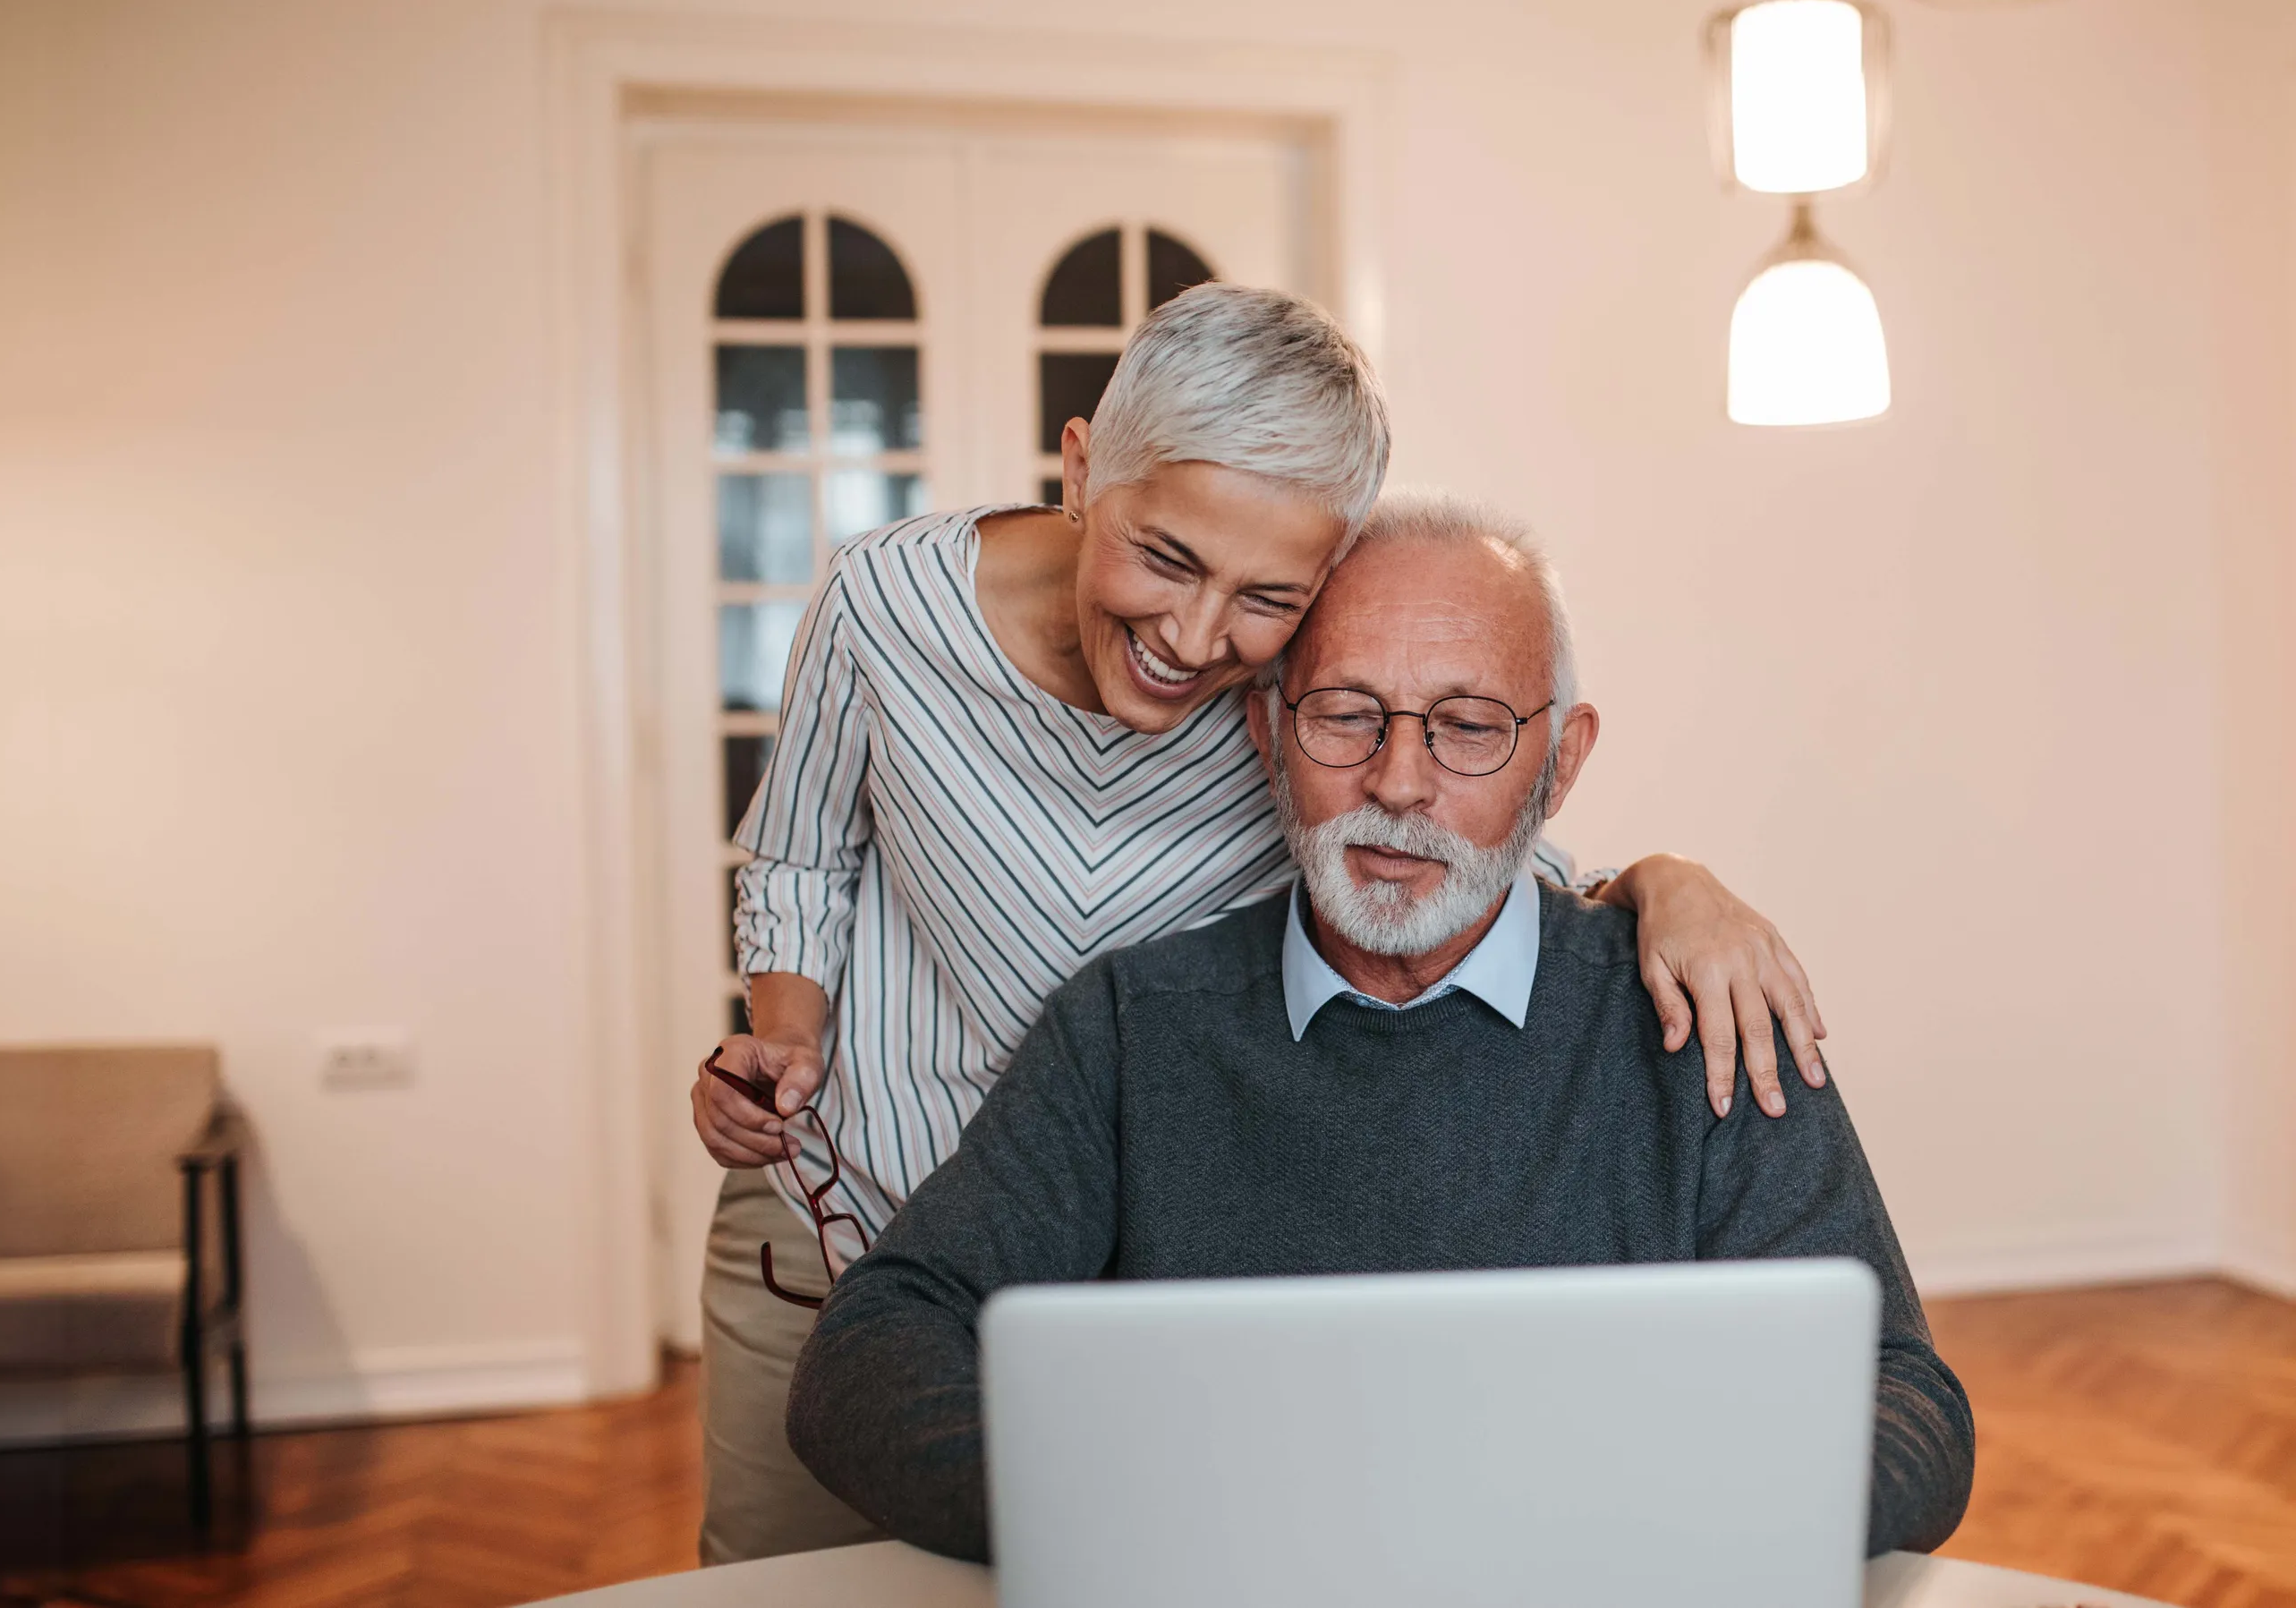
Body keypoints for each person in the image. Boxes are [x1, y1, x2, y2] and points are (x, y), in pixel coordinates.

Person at [693, 284, 1840, 1562]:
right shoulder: (886, 604)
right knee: (775, 1570)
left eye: (1268, 597)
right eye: (1166, 557)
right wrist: (782, 1045)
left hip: (1100, 1249)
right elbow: (797, 859)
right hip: (846, 1195)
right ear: (1080, 472)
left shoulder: (1285, 712)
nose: (1192, 637)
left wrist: (1668, 880)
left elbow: (1475, 845)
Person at [782, 494, 1976, 1561]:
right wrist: (1161, 1524)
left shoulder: (1702, 1018)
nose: (1398, 783)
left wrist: (1616, 1536)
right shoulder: (1132, 1027)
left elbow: (1907, 1408)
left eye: (1467, 728)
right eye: (1347, 715)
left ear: (1558, 766)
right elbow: (868, 1359)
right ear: (1268, 735)